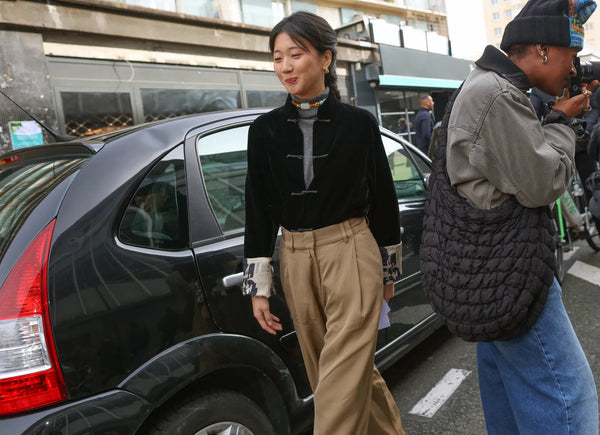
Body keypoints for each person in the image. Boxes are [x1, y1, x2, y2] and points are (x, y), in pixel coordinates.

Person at [421, 0, 599, 433]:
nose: (572, 69)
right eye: (570, 56)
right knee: (570, 398)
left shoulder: (483, 84)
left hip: (486, 272)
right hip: (511, 271)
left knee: (509, 395)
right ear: (542, 49)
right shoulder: (497, 94)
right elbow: (544, 182)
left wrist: (552, 116)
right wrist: (562, 124)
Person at [242, 11, 404, 435]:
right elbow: (257, 208)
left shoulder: (359, 124)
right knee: (332, 374)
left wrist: (389, 273)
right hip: (294, 257)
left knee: (339, 378)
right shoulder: (263, 131)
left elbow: (384, 201)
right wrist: (258, 287)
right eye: (277, 58)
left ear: (326, 59)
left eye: (296, 54)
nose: (286, 66)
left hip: (351, 250)